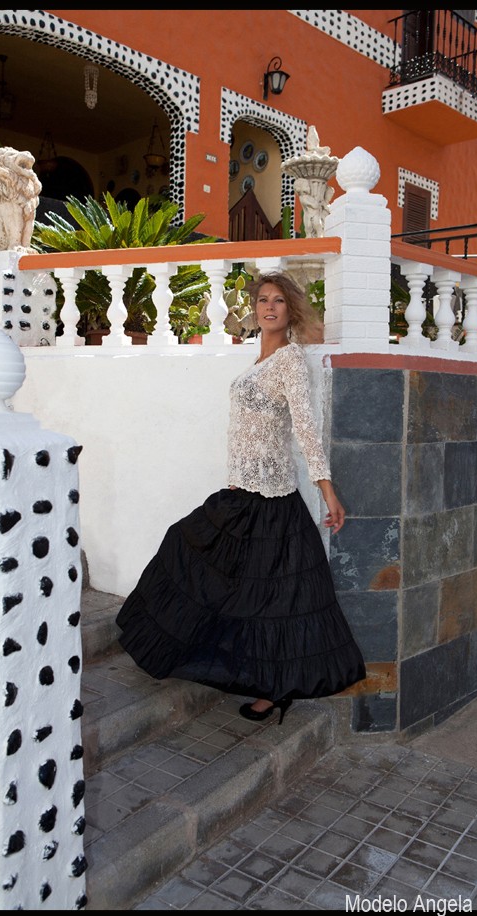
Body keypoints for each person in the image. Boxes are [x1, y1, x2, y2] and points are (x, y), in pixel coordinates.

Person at [116, 272, 366, 724]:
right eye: (263, 300)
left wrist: (327, 489)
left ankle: (273, 692)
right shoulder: (258, 360)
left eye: (278, 301)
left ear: (291, 310)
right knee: (200, 559)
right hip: (242, 492)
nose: (269, 307)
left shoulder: (290, 360)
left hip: (271, 500)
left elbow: (305, 428)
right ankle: (237, 670)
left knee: (273, 602)